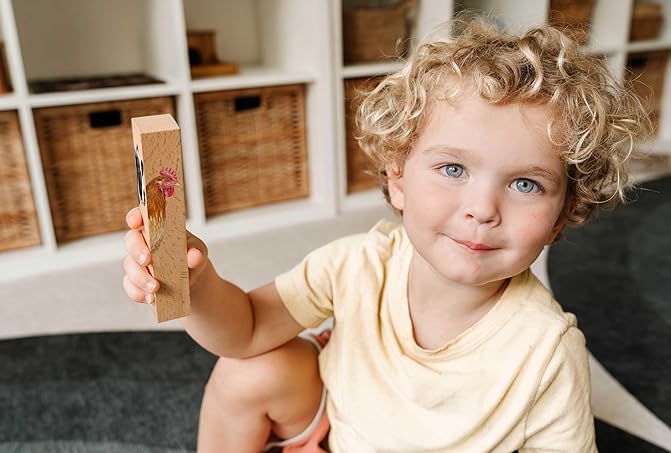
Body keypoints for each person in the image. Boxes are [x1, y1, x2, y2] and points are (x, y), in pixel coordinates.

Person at [122, 17, 650, 452]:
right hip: (336, 431)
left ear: (561, 216)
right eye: (453, 169)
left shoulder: (547, 352)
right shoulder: (358, 264)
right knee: (250, 372)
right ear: (398, 178)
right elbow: (247, 329)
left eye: (525, 184)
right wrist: (194, 283)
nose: (482, 209)